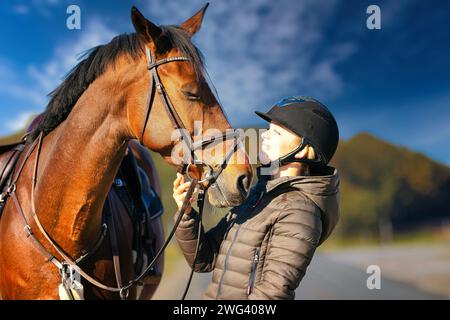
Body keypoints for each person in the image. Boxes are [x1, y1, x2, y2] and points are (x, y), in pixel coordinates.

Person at [172, 96, 340, 299]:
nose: (265, 136)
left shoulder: (301, 211)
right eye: (268, 129)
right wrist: (187, 214)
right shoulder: (256, 196)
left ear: (304, 150)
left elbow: (273, 294)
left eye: (276, 132)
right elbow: (204, 259)